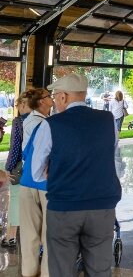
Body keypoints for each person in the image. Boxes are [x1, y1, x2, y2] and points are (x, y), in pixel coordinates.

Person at [30, 73, 121, 277]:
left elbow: (36, 172)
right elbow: (112, 156)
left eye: (54, 97)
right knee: (100, 269)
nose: (53, 102)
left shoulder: (51, 124)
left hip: (64, 207)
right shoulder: (108, 120)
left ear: (63, 97)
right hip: (102, 206)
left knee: (61, 268)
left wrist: (53, 171)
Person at [19, 87, 52, 277]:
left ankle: (28, 273)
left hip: (27, 180)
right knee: (49, 234)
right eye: (49, 96)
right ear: (41, 102)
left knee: (29, 234)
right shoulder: (45, 124)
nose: (53, 99)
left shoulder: (29, 120)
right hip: (44, 183)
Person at [3, 94, 30, 249]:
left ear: (22, 105)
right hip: (38, 169)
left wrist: (8, 168)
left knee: (15, 200)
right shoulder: (44, 120)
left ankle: (11, 236)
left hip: (19, 167)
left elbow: (15, 147)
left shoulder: (18, 121)